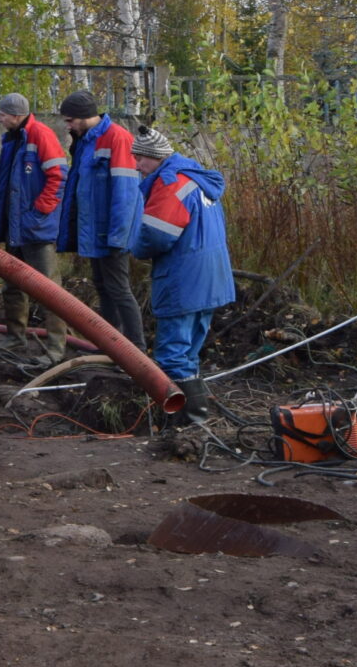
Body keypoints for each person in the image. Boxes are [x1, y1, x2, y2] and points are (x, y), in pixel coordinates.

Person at [130, 126, 235, 426]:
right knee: (189, 352)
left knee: (172, 354)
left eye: (140, 159)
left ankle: (184, 423)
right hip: (211, 279)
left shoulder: (170, 183)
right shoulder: (199, 178)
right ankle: (196, 419)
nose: (137, 166)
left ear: (155, 157)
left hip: (184, 280)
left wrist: (134, 247)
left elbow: (156, 236)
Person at [54, 90, 145, 344]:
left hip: (111, 233)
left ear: (83, 117)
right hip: (95, 231)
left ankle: (136, 351)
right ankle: (112, 346)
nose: (67, 125)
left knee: (119, 289)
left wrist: (118, 236)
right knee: (103, 286)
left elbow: (127, 194)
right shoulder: (84, 140)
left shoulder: (117, 138)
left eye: (70, 120)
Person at [0, 93, 66, 357]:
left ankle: (56, 348)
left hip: (35, 230)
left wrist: (38, 213)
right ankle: (16, 338)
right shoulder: (12, 139)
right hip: (16, 228)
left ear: (15, 115)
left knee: (49, 290)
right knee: (12, 285)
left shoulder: (41, 135)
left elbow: (59, 177)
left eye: (3, 114)